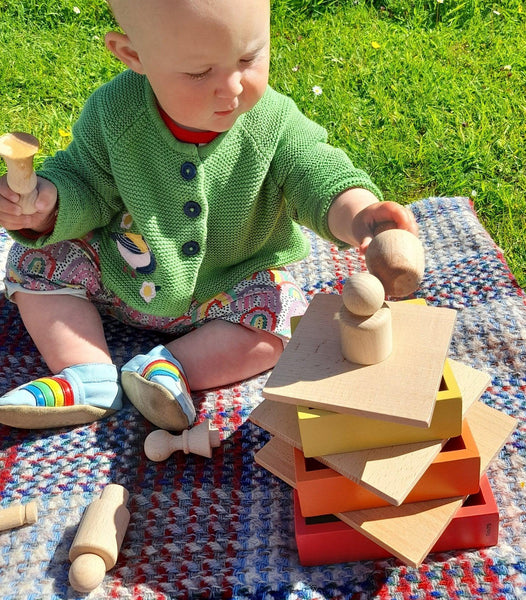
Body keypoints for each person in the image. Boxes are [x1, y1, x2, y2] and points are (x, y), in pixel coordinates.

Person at [0, 0, 418, 431]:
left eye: (248, 57)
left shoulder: (271, 122)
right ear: (133, 55)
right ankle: (87, 373)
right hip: (122, 278)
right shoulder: (115, 113)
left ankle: (170, 368)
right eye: (200, 73)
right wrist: (47, 203)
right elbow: (85, 181)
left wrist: (361, 213)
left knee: (283, 315)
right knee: (32, 261)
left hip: (229, 289)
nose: (232, 88)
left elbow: (316, 174)